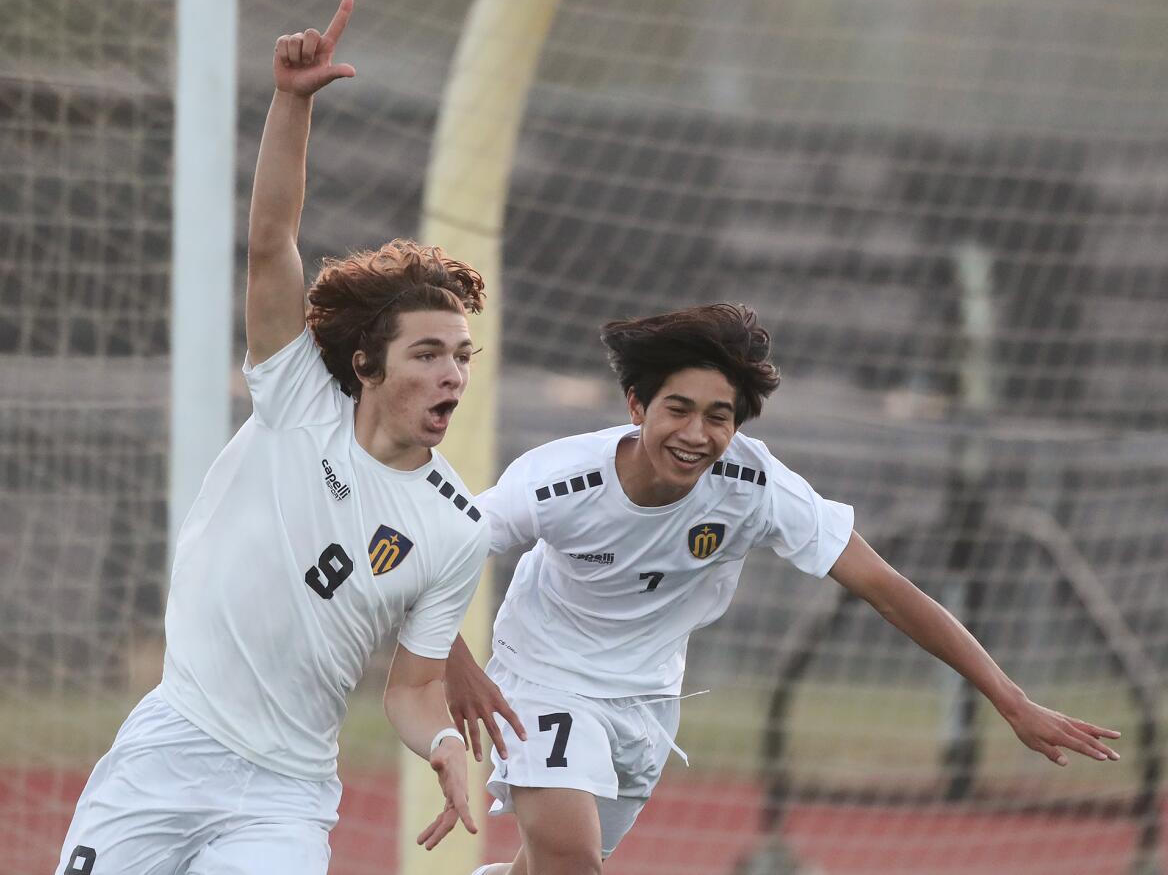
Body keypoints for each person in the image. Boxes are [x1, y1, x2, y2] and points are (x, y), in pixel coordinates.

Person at [446, 303, 1121, 875]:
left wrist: (1011, 698)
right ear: (636, 404)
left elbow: (884, 587)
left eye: (718, 416)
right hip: (542, 680)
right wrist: (460, 667)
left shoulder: (755, 486)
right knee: (571, 862)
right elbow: (435, 558)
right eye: (677, 408)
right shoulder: (559, 481)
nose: (696, 433)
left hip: (648, 699)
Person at [54, 0, 488, 874]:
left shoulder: (457, 526)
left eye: (464, 357)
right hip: (170, 750)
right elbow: (270, 245)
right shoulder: (297, 401)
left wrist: (440, 737)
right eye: (430, 352)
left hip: (283, 798)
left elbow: (408, 686)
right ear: (367, 364)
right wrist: (292, 103)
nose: (453, 375)